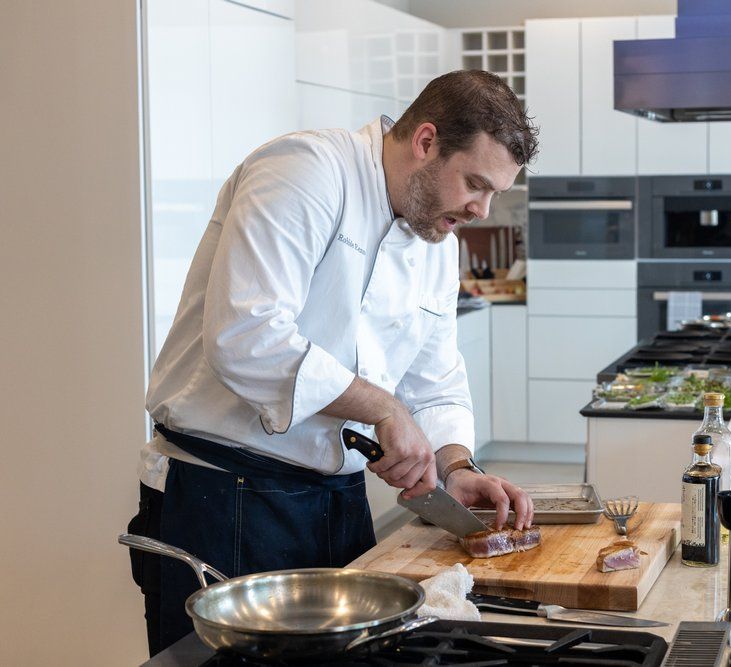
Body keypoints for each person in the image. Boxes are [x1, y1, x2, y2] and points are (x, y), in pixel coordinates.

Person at [127, 70, 539, 654]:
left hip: (338, 505)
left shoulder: (435, 245)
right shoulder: (305, 170)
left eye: (495, 192)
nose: (481, 208)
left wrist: (457, 466)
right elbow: (246, 335)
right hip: (224, 496)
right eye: (475, 183)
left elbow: (436, 379)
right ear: (425, 141)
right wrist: (384, 408)